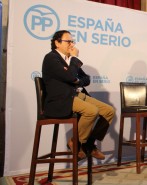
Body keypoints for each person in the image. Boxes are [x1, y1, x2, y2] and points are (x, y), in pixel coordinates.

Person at [42, 30, 115, 160]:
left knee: (109, 111)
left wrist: (76, 80)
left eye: (72, 41)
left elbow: (86, 79)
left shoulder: (69, 60)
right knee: (92, 111)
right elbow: (70, 76)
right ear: (57, 43)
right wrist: (75, 59)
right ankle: (77, 143)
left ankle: (88, 144)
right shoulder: (51, 58)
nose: (72, 44)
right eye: (68, 41)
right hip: (60, 100)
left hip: (75, 95)